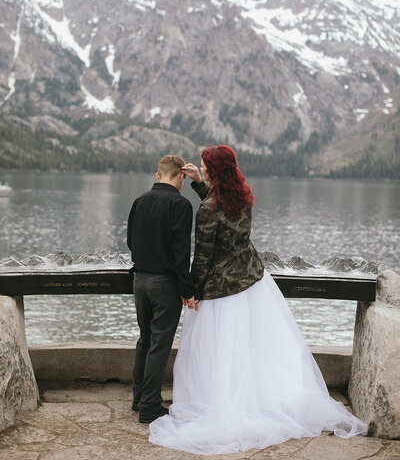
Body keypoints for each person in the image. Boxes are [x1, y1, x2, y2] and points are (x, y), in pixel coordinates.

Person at [149, 145, 367, 455]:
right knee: (253, 348)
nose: (201, 168)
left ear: (213, 170)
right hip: (252, 281)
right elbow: (219, 210)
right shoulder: (241, 197)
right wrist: (200, 184)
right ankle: (260, 399)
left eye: (204, 166)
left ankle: (224, 403)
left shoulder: (208, 209)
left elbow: (204, 255)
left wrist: (192, 291)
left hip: (222, 289)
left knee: (219, 351)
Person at [127, 154, 198, 424]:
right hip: (165, 284)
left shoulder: (139, 200)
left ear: (158, 176)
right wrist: (187, 291)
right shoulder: (181, 205)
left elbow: (130, 241)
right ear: (181, 176)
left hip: (140, 281)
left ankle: (139, 399)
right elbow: (181, 256)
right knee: (159, 345)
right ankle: (150, 408)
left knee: (144, 340)